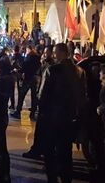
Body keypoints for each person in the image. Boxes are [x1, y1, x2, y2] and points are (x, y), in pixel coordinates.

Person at [38, 43, 88, 183]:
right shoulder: (79, 71)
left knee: (49, 152)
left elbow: (42, 95)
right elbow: (82, 97)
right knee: (65, 152)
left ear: (62, 53)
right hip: (70, 119)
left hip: (52, 118)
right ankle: (66, 179)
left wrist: (41, 113)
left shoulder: (52, 70)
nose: (54, 55)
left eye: (55, 52)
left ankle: (53, 178)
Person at [11, 45, 41, 120]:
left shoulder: (29, 56)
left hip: (28, 78)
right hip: (35, 78)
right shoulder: (37, 57)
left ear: (28, 49)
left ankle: (18, 112)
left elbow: (24, 67)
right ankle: (32, 114)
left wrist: (18, 70)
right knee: (34, 97)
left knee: (21, 95)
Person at [9, 45, 24, 110]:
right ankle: (19, 106)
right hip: (19, 74)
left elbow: (11, 66)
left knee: (12, 91)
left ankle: (12, 105)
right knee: (20, 91)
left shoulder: (12, 57)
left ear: (14, 50)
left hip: (12, 75)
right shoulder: (21, 57)